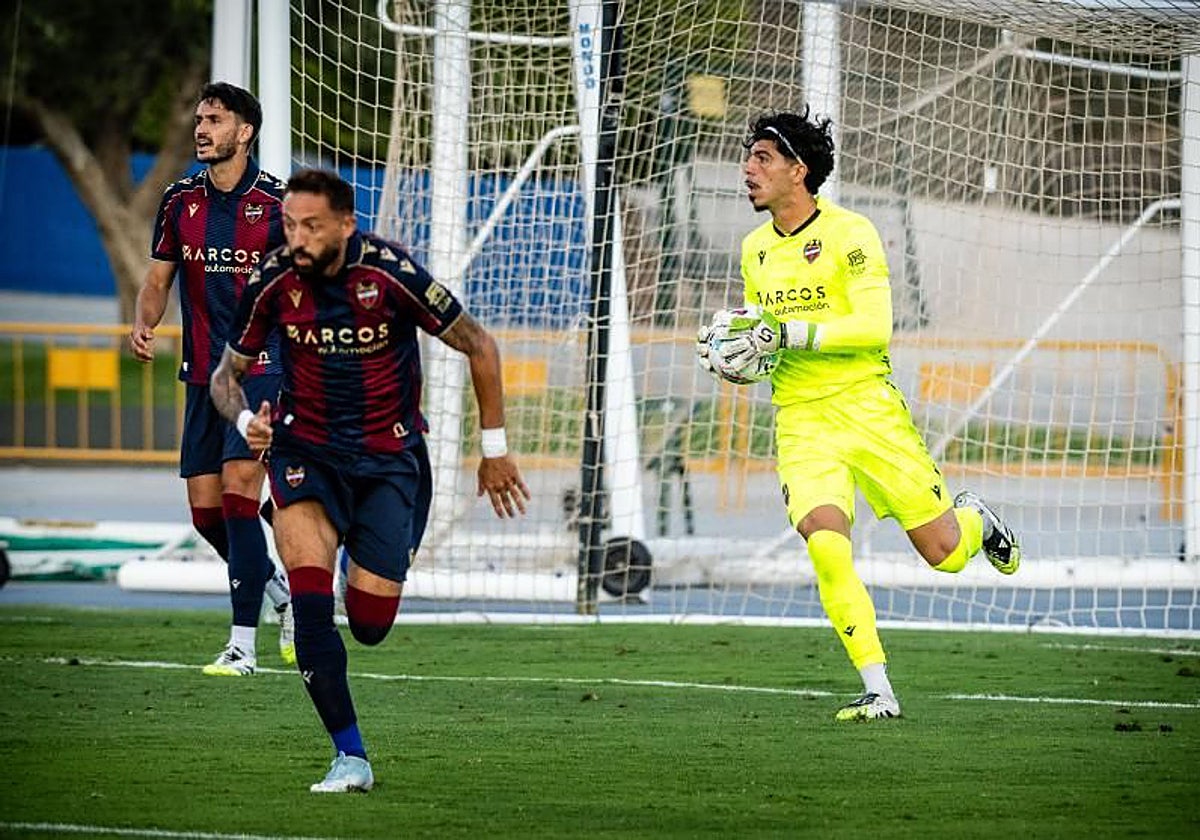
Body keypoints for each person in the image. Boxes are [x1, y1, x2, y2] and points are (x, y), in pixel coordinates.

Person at [210, 167, 530, 793]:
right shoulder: (271, 280)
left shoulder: (391, 272)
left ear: (346, 226)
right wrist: (248, 418)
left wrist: (494, 451)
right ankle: (349, 756)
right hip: (307, 454)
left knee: (370, 623)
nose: (296, 239)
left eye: (311, 227)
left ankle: (354, 545)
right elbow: (228, 375)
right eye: (288, 225)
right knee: (309, 608)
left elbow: (480, 346)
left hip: (390, 461)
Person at [698, 108, 1021, 722]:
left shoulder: (852, 233)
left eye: (763, 158)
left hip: (869, 410)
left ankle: (973, 519)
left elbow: (874, 327)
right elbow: (762, 339)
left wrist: (785, 331)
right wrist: (736, 356)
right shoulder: (755, 251)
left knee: (946, 554)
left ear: (800, 170)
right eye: (749, 156)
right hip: (801, 420)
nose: (748, 168)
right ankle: (879, 688)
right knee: (826, 546)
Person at [130, 82, 294, 676]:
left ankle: (242, 647)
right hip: (202, 375)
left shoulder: (279, 205)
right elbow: (157, 281)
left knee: (238, 499)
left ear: (244, 132)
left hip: (262, 372)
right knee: (206, 515)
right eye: (199, 118)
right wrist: (143, 323)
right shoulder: (178, 201)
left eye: (214, 119)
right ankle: (284, 596)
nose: (202, 129)